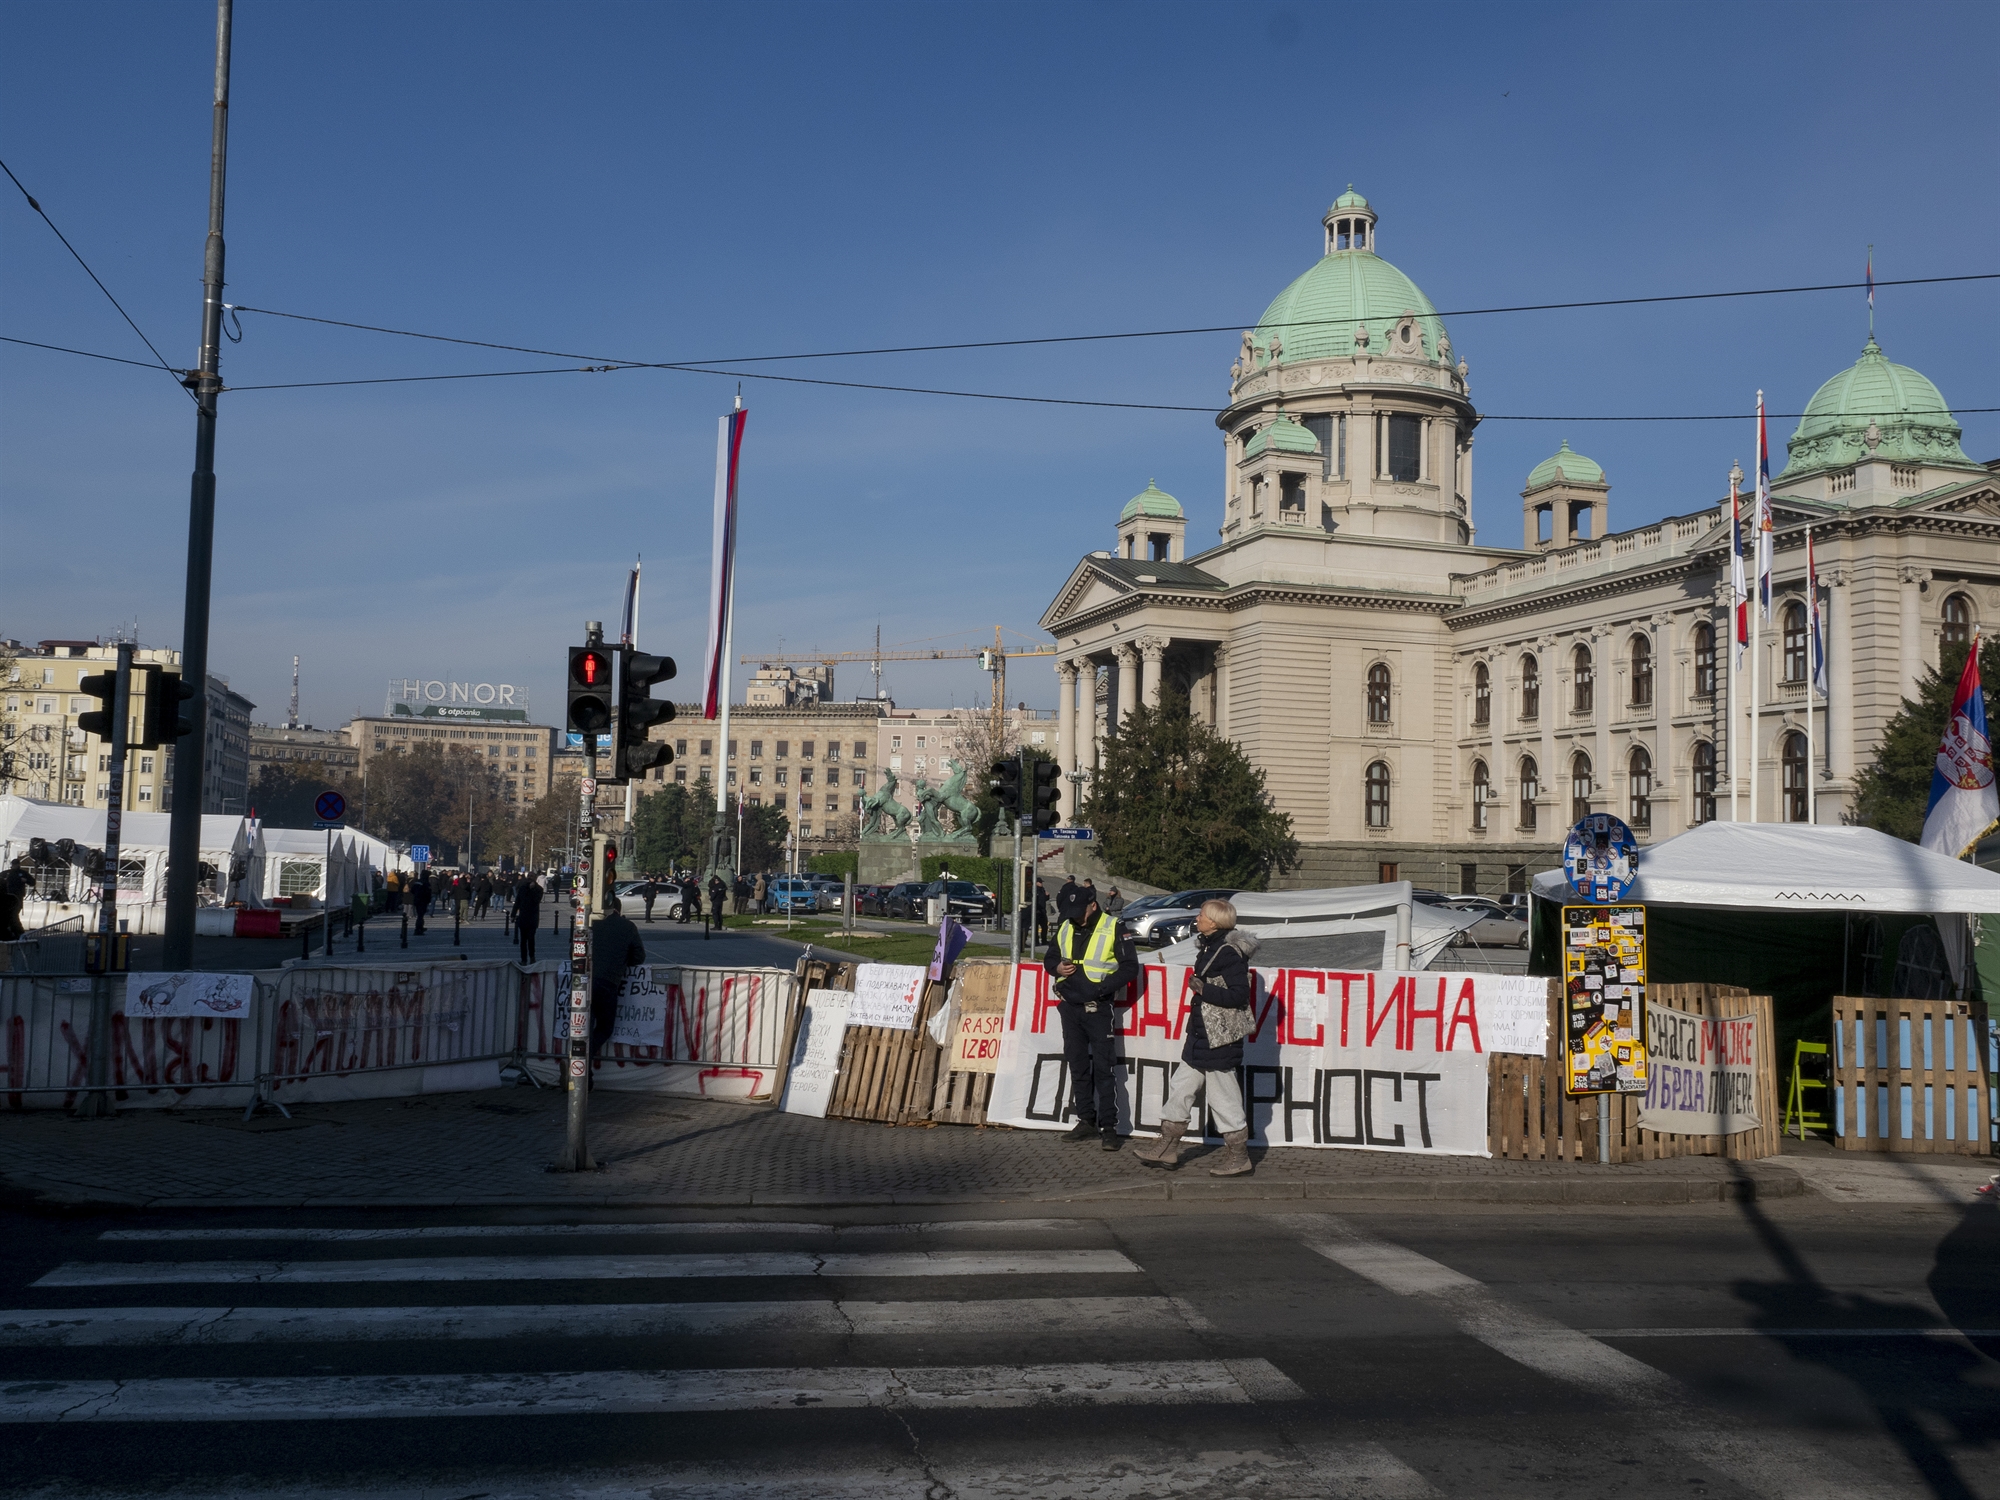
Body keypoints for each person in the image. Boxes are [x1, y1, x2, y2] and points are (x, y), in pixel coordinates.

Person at [1133, 899, 1259, 1176]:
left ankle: (1239, 1157)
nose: (1198, 918)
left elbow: (1239, 995)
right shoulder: (1212, 946)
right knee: (1180, 1088)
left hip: (1218, 1039)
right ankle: (1168, 1148)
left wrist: (1203, 990)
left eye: (1202, 914)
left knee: (1223, 1097)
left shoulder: (1229, 952)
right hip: (1202, 1035)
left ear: (1214, 922)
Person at [1043, 887, 1140, 1151]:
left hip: (1097, 1008)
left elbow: (1131, 966)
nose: (1076, 918)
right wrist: (1056, 968)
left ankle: (1109, 1127)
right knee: (1077, 1066)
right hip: (1069, 1007)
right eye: (1070, 913)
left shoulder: (1113, 926)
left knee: (1104, 1069)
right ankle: (1086, 1120)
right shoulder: (1066, 925)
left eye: (1079, 913)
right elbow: (1049, 958)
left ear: (1093, 906)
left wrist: (1102, 989)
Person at [589, 895, 647, 1057]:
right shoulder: (627, 926)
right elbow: (639, 956)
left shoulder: (590, 923)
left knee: (582, 1027)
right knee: (604, 1028)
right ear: (619, 909)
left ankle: (578, 1063)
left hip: (583, 980)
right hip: (608, 981)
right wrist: (621, 961)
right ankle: (585, 1057)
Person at [512, 873, 543, 963]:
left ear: (535, 878)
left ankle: (532, 956)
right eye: (528, 876)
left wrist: (531, 889)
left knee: (531, 939)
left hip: (533, 917)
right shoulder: (523, 888)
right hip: (523, 917)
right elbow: (518, 901)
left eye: (531, 876)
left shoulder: (538, 889)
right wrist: (513, 914)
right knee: (523, 940)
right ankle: (524, 959)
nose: (529, 878)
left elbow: (536, 901)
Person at [1033, 878, 1050, 944]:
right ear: (1036, 883)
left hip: (1042, 910)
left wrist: (1047, 896)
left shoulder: (1042, 889)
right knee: (1035, 927)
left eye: (1041, 882)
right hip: (1037, 910)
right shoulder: (1035, 890)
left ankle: (1044, 940)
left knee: (1044, 926)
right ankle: (1036, 941)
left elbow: (1044, 899)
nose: (1041, 883)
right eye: (1040, 882)